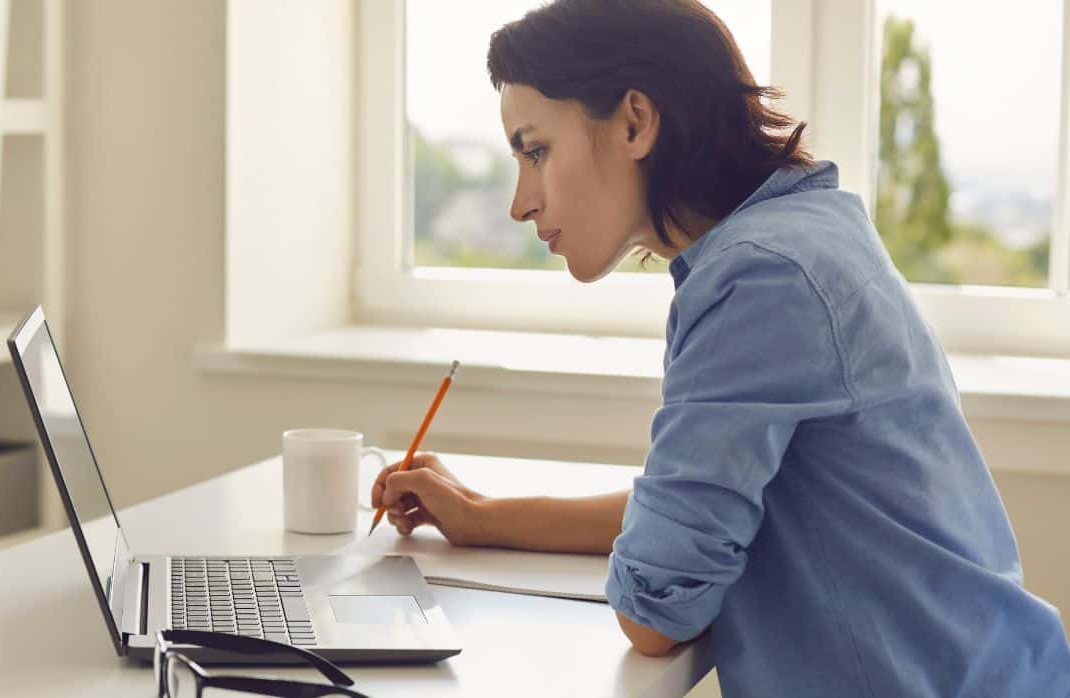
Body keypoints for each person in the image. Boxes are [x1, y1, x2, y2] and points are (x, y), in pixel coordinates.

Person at [370, 1, 1070, 696]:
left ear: (635, 122)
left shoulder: (759, 278)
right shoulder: (804, 231)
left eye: (536, 150)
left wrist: (646, 552)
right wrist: (482, 517)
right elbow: (702, 513)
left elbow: (655, 611)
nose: (519, 202)